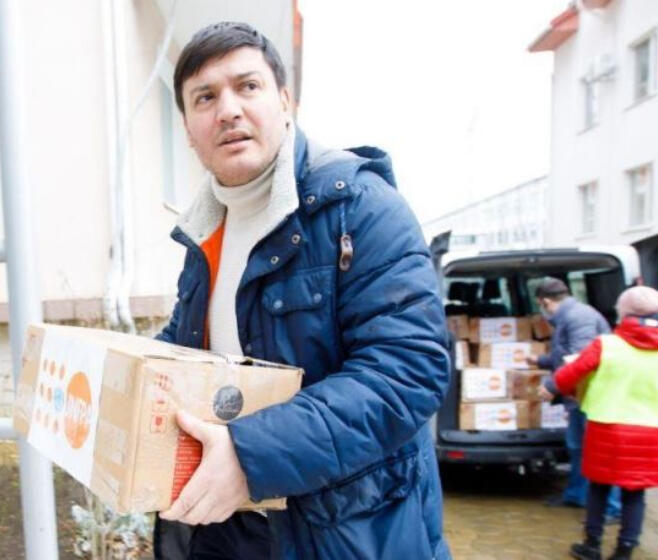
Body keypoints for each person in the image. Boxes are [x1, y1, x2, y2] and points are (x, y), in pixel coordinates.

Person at [151, 22, 451, 559]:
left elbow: (406, 371)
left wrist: (250, 457)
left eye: (247, 86)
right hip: (227, 530)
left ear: (285, 101)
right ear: (189, 128)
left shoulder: (360, 208)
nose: (228, 110)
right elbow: (186, 351)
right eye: (205, 97)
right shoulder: (203, 237)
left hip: (343, 531)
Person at [539, 286, 658, 560]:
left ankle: (591, 546)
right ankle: (624, 550)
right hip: (652, 431)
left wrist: (552, 386)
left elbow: (573, 372)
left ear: (625, 312)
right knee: (635, 493)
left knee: (599, 486)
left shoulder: (607, 344)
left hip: (608, 427)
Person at [527, 277, 620, 518]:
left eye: (540, 305)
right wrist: (539, 361)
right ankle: (577, 495)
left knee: (600, 453)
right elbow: (565, 355)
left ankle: (612, 508)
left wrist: (552, 384)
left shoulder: (579, 317)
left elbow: (581, 359)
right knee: (577, 447)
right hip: (578, 397)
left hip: (592, 397)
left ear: (546, 302)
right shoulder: (568, 318)